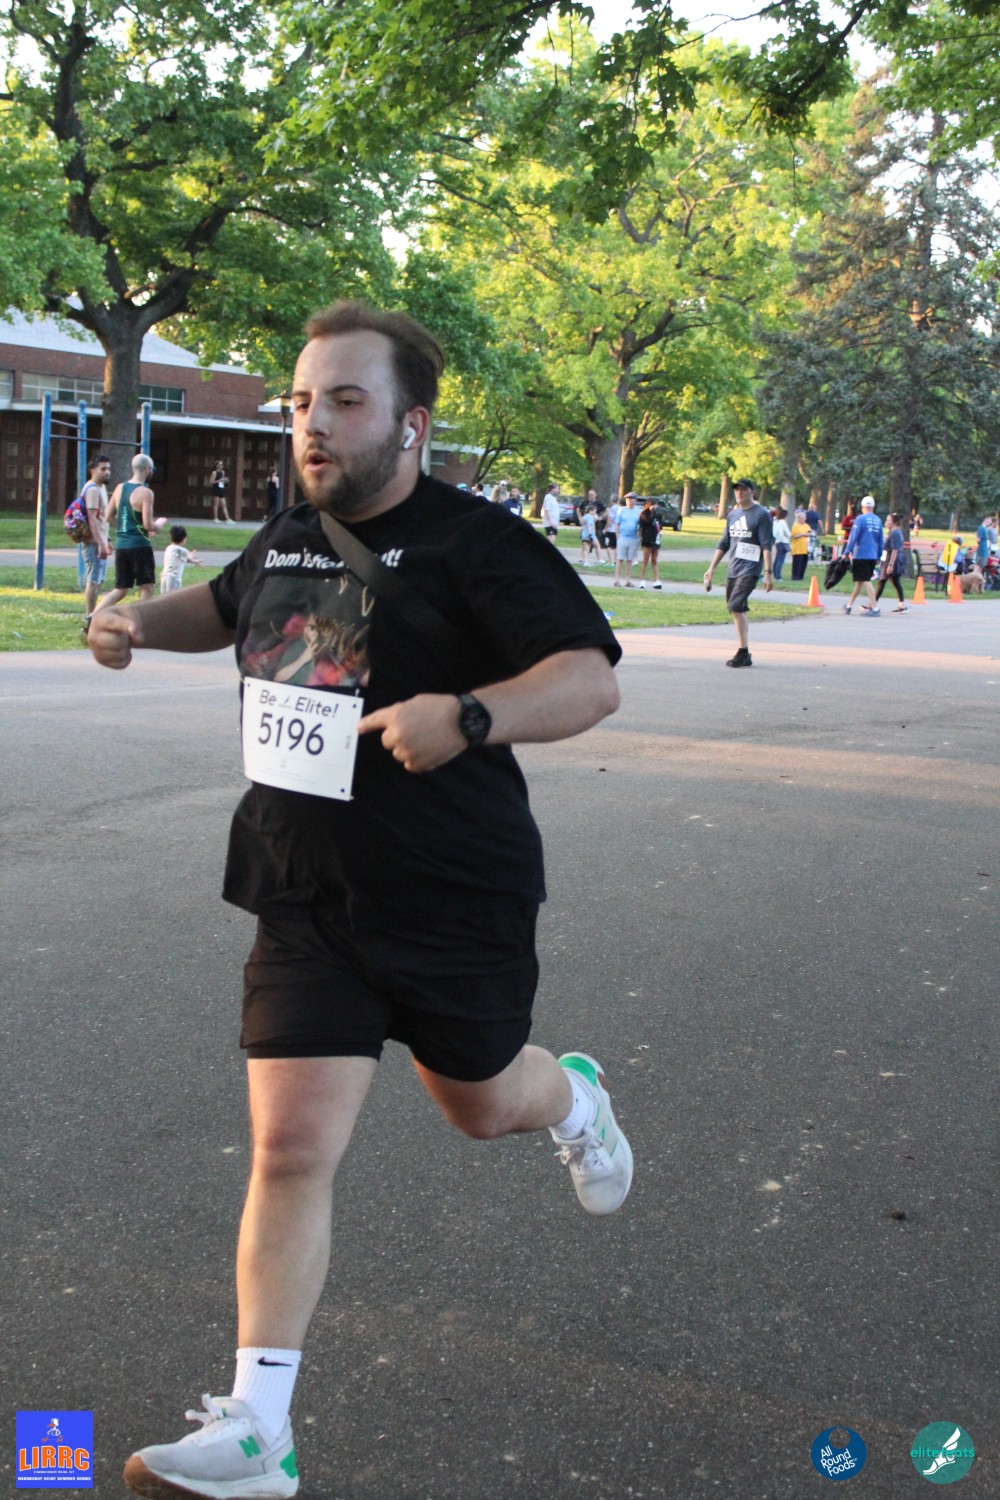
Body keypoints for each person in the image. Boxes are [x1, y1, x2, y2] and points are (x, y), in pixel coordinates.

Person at [90, 301, 631, 1500]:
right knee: (289, 1147)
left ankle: (573, 1098)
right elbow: (218, 609)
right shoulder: (292, 533)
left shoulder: (477, 543)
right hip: (305, 890)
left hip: (454, 895)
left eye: (343, 401)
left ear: (410, 423)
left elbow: (588, 680)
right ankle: (259, 1430)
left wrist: (470, 716)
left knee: (482, 1105)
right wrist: (131, 623)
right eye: (300, 401)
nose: (312, 425)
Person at [702, 477, 774, 668]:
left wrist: (768, 572)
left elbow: (767, 545)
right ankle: (745, 652)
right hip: (734, 568)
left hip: (751, 569)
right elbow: (724, 543)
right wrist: (711, 569)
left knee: (735, 605)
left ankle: (742, 651)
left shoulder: (761, 515)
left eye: (743, 489)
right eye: (736, 490)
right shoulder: (733, 515)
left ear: (752, 491)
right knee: (737, 609)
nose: (739, 493)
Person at [93, 454, 165, 612]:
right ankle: (142, 621)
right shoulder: (146, 493)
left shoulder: (120, 488)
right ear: (147, 469)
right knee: (146, 587)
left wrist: (124, 528)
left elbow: (108, 516)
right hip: (140, 546)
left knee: (120, 589)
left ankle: (93, 616)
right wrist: (158, 526)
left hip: (122, 546)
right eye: (152, 469)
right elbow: (147, 524)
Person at [78, 452, 112, 628]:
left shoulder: (101, 487)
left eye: (108, 469)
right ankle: (89, 619)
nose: (107, 472)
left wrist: (108, 539)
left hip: (100, 540)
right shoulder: (92, 489)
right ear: (93, 470)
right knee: (93, 580)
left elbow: (101, 518)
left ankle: (93, 616)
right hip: (93, 543)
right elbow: (91, 519)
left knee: (99, 579)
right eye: (103, 469)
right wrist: (100, 543)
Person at [842, 495, 884, 615]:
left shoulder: (860, 519)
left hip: (861, 554)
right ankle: (849, 605)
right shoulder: (878, 520)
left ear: (862, 507)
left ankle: (875, 608)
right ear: (873, 507)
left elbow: (853, 537)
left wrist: (846, 552)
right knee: (860, 581)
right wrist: (879, 555)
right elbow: (881, 540)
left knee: (865, 580)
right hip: (872, 555)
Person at [869, 511, 907, 613]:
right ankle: (901, 605)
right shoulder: (894, 532)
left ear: (894, 522)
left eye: (888, 520)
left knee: (882, 582)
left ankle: (872, 604)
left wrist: (890, 565)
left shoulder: (895, 533)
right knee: (894, 582)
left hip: (892, 561)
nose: (886, 522)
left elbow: (895, 550)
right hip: (889, 560)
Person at [160, 525, 203, 594]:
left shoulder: (169, 548)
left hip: (164, 577)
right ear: (183, 539)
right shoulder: (182, 550)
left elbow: (185, 559)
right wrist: (192, 555)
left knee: (164, 598)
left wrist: (195, 561)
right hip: (174, 578)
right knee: (174, 598)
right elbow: (189, 557)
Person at [613, 492, 641, 586]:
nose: (630, 501)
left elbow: (641, 524)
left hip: (634, 538)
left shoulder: (638, 511)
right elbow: (617, 523)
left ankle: (627, 580)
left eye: (632, 499)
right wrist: (618, 536)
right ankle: (617, 580)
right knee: (620, 559)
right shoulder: (622, 510)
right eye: (628, 499)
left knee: (630, 560)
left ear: (635, 500)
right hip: (623, 537)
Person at [637, 499, 662, 588]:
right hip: (647, 540)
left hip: (656, 540)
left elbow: (659, 525)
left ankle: (656, 580)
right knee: (645, 561)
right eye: (652, 505)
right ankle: (642, 580)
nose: (654, 506)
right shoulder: (643, 514)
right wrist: (651, 512)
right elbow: (648, 521)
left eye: (655, 505)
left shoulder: (657, 515)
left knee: (654, 561)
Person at [790, 508, 812, 581]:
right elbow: (794, 536)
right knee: (797, 563)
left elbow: (810, 533)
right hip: (797, 548)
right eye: (802, 518)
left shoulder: (807, 526)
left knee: (803, 563)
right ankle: (795, 577)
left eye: (805, 517)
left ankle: (801, 576)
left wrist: (808, 534)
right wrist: (803, 534)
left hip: (805, 548)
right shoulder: (795, 526)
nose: (804, 519)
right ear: (799, 518)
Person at [771, 506, 791, 580]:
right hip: (783, 542)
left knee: (777, 559)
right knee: (781, 560)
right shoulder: (783, 522)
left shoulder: (775, 522)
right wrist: (790, 535)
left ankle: (775, 574)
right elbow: (787, 533)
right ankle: (778, 576)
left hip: (777, 541)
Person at [210, 459, 232, 524]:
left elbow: (224, 482)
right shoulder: (214, 472)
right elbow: (211, 482)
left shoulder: (222, 472)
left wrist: (226, 481)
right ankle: (215, 518)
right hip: (216, 489)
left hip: (221, 489)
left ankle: (228, 519)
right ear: (216, 466)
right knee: (216, 504)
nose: (221, 466)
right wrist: (219, 480)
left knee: (224, 504)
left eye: (222, 464)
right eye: (220, 464)